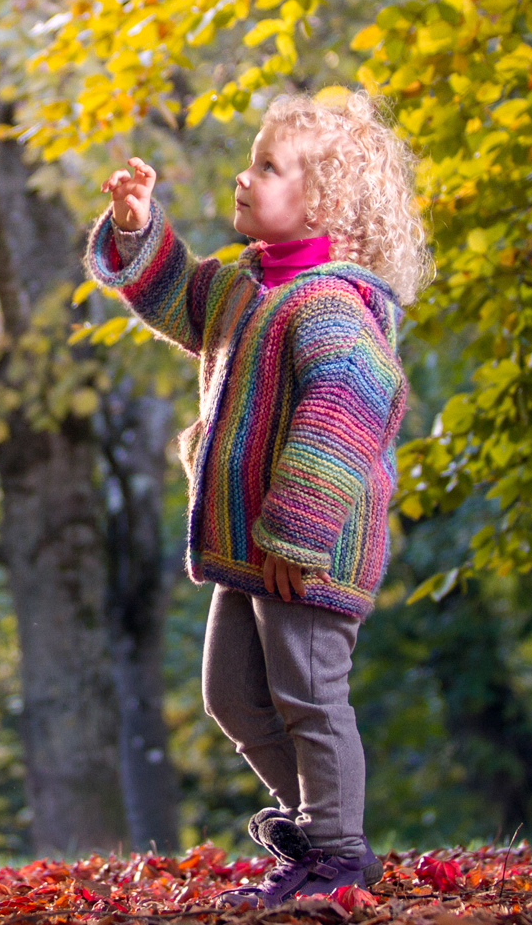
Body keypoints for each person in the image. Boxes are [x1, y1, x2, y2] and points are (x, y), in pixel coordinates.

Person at [84, 87, 431, 906]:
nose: (244, 179)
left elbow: (356, 392)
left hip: (303, 552)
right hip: (251, 549)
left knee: (311, 697)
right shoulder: (247, 286)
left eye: (266, 168)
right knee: (233, 694)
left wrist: (298, 532)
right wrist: (137, 227)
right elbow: (180, 299)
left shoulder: (329, 306)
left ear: (324, 204)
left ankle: (337, 852)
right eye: (251, 162)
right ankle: (318, 826)